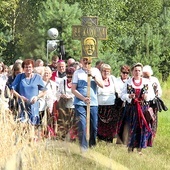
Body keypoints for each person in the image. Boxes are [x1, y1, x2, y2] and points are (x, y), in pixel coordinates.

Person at [120, 63, 155, 154]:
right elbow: (121, 95)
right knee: (131, 127)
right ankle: (130, 147)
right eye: (135, 70)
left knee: (142, 128)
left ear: (141, 72)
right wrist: (129, 96)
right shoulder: (128, 82)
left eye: (139, 70)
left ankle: (140, 149)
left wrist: (146, 96)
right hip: (131, 109)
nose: (137, 72)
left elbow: (152, 95)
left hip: (143, 109)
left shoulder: (146, 82)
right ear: (132, 71)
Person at [71, 57, 103, 152]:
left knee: (93, 126)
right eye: (84, 60)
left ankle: (92, 145)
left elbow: (102, 85)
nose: (86, 62)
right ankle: (83, 148)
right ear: (81, 61)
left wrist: (93, 76)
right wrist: (83, 98)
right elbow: (73, 89)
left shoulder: (96, 71)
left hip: (93, 102)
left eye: (88, 61)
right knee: (82, 124)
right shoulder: (77, 73)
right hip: (80, 102)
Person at [11, 59, 47, 125]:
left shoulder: (37, 77)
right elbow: (12, 90)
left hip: (33, 105)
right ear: (23, 68)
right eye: (26, 67)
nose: (28, 69)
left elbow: (44, 91)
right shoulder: (19, 77)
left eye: (30, 67)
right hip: (22, 105)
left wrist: (37, 97)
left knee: (33, 125)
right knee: (22, 124)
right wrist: (20, 97)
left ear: (33, 68)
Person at [97, 64, 121, 143]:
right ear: (101, 71)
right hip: (100, 106)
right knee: (100, 125)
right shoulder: (98, 79)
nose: (106, 73)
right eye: (104, 71)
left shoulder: (113, 79)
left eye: (108, 71)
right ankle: (100, 140)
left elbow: (118, 91)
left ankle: (109, 141)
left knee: (110, 125)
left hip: (111, 106)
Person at [142, 65, 163, 141]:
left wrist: (157, 94)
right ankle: (144, 136)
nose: (147, 78)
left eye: (148, 76)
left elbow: (159, 90)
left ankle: (152, 136)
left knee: (153, 119)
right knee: (145, 119)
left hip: (154, 103)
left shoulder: (155, 79)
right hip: (145, 103)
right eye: (145, 76)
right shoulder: (142, 81)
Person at [57, 67, 77, 140]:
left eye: (71, 76)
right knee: (64, 121)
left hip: (74, 105)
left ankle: (73, 137)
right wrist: (62, 95)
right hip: (64, 106)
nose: (69, 78)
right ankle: (63, 136)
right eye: (68, 76)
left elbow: (79, 93)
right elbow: (58, 92)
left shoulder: (77, 82)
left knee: (73, 122)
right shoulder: (63, 82)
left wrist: (71, 96)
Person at [116, 65, 130, 145]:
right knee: (118, 123)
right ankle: (118, 140)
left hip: (127, 104)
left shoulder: (130, 81)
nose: (125, 74)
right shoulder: (117, 80)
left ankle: (126, 140)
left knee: (126, 123)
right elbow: (117, 91)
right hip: (119, 104)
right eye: (124, 73)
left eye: (127, 73)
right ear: (120, 73)